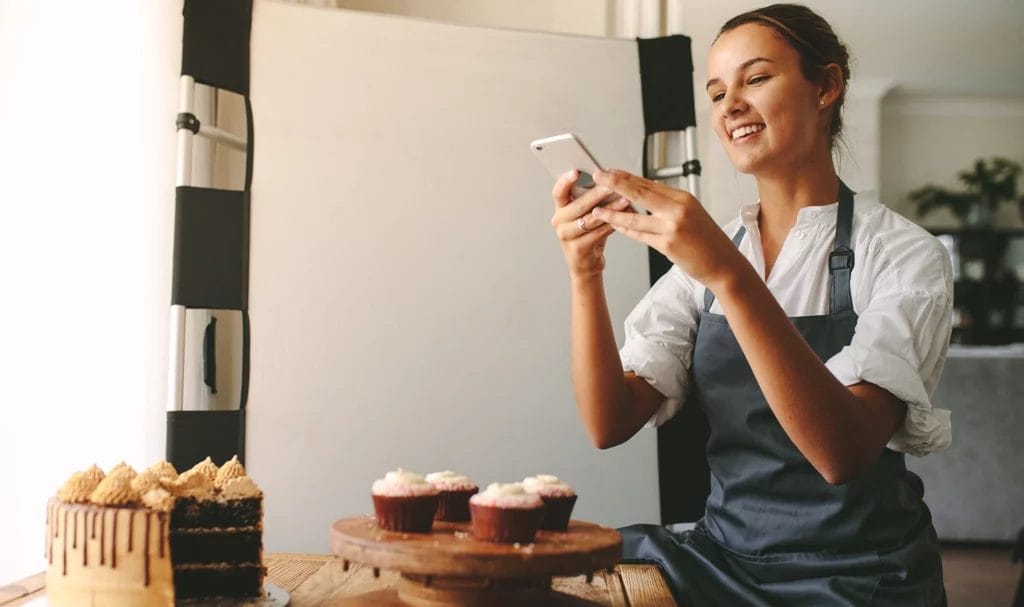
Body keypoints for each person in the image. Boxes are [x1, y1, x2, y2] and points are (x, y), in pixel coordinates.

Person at [549, 4, 952, 605]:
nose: (729, 105)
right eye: (716, 93)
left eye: (755, 79)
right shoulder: (714, 255)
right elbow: (609, 422)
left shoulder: (904, 255)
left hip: (857, 574)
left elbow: (840, 453)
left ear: (827, 86)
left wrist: (731, 277)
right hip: (724, 558)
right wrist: (586, 274)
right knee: (538, 571)